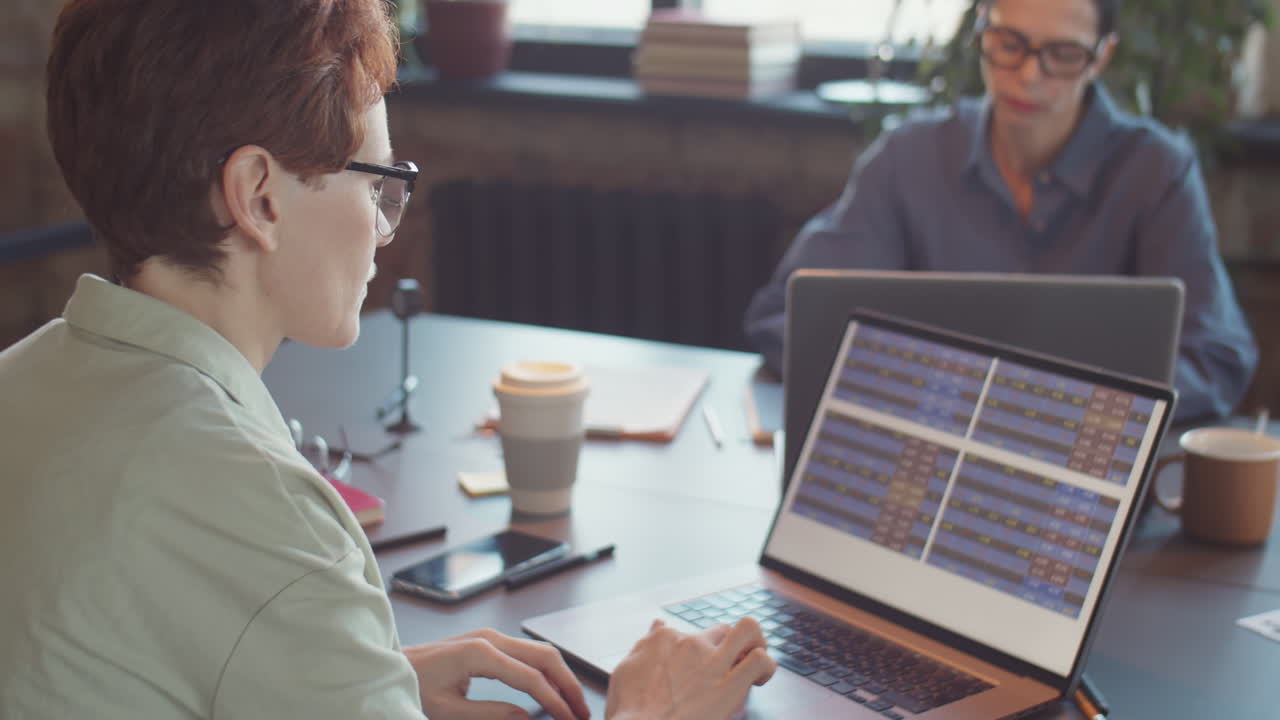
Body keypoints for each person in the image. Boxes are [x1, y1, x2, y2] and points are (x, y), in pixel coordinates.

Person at [0, 1, 774, 718]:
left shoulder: (21, 380)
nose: (381, 228)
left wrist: (362, 672)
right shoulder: (269, 518)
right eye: (378, 181)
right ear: (260, 196)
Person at [744, 0, 1258, 423]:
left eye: (1062, 54)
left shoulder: (1155, 171)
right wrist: (921, 389)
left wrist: (1054, 405)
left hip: (1081, 461)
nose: (1028, 75)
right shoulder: (909, 157)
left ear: (1101, 57)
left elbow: (1215, 359)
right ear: (982, 31)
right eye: (1009, 44)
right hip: (925, 440)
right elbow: (790, 314)